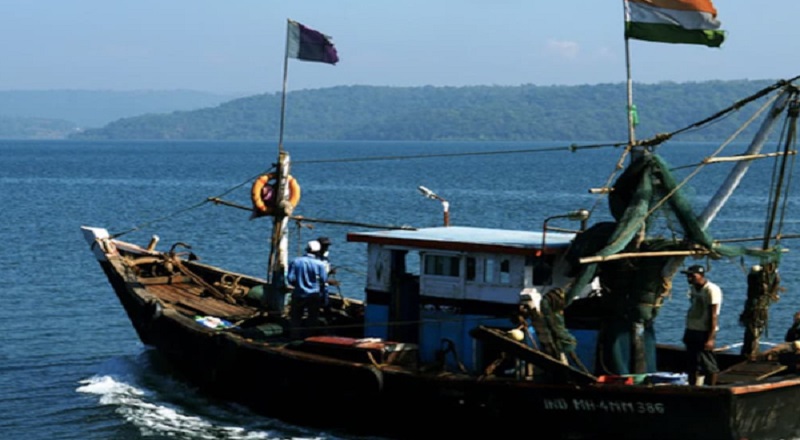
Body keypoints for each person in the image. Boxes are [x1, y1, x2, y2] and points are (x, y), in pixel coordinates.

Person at [681, 264, 723, 386]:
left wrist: (710, 338)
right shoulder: (694, 288)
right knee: (692, 362)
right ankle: (692, 387)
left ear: (701, 275)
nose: (689, 279)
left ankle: (712, 388)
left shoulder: (711, 290)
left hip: (704, 331)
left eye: (692, 276)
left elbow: (713, 315)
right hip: (692, 329)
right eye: (688, 276)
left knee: (708, 362)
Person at [287, 240, 329, 338]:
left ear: (307, 249)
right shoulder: (320, 264)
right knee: (312, 318)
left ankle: (294, 337)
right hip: (314, 295)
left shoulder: (295, 261)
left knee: (296, 317)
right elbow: (324, 280)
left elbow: (290, 279)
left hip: (298, 293)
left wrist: (298, 284)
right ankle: (309, 338)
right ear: (318, 252)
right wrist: (324, 296)